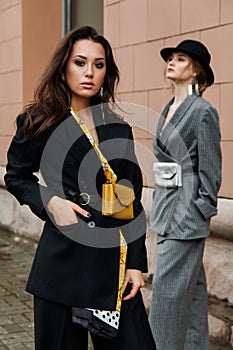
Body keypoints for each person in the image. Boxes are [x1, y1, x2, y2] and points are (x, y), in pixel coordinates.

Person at [4, 26, 156, 350]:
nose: (89, 72)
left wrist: (135, 263)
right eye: (80, 62)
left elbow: (131, 199)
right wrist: (50, 202)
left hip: (111, 272)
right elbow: (15, 175)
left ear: (106, 72)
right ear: (63, 67)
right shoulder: (39, 121)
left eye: (98, 65)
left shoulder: (118, 127)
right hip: (62, 269)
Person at [149, 39, 222, 350]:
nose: (172, 62)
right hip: (166, 212)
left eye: (181, 59)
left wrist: (200, 211)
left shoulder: (203, 112)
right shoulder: (168, 109)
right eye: (171, 58)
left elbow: (211, 169)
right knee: (191, 295)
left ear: (196, 72)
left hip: (185, 219)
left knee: (166, 297)